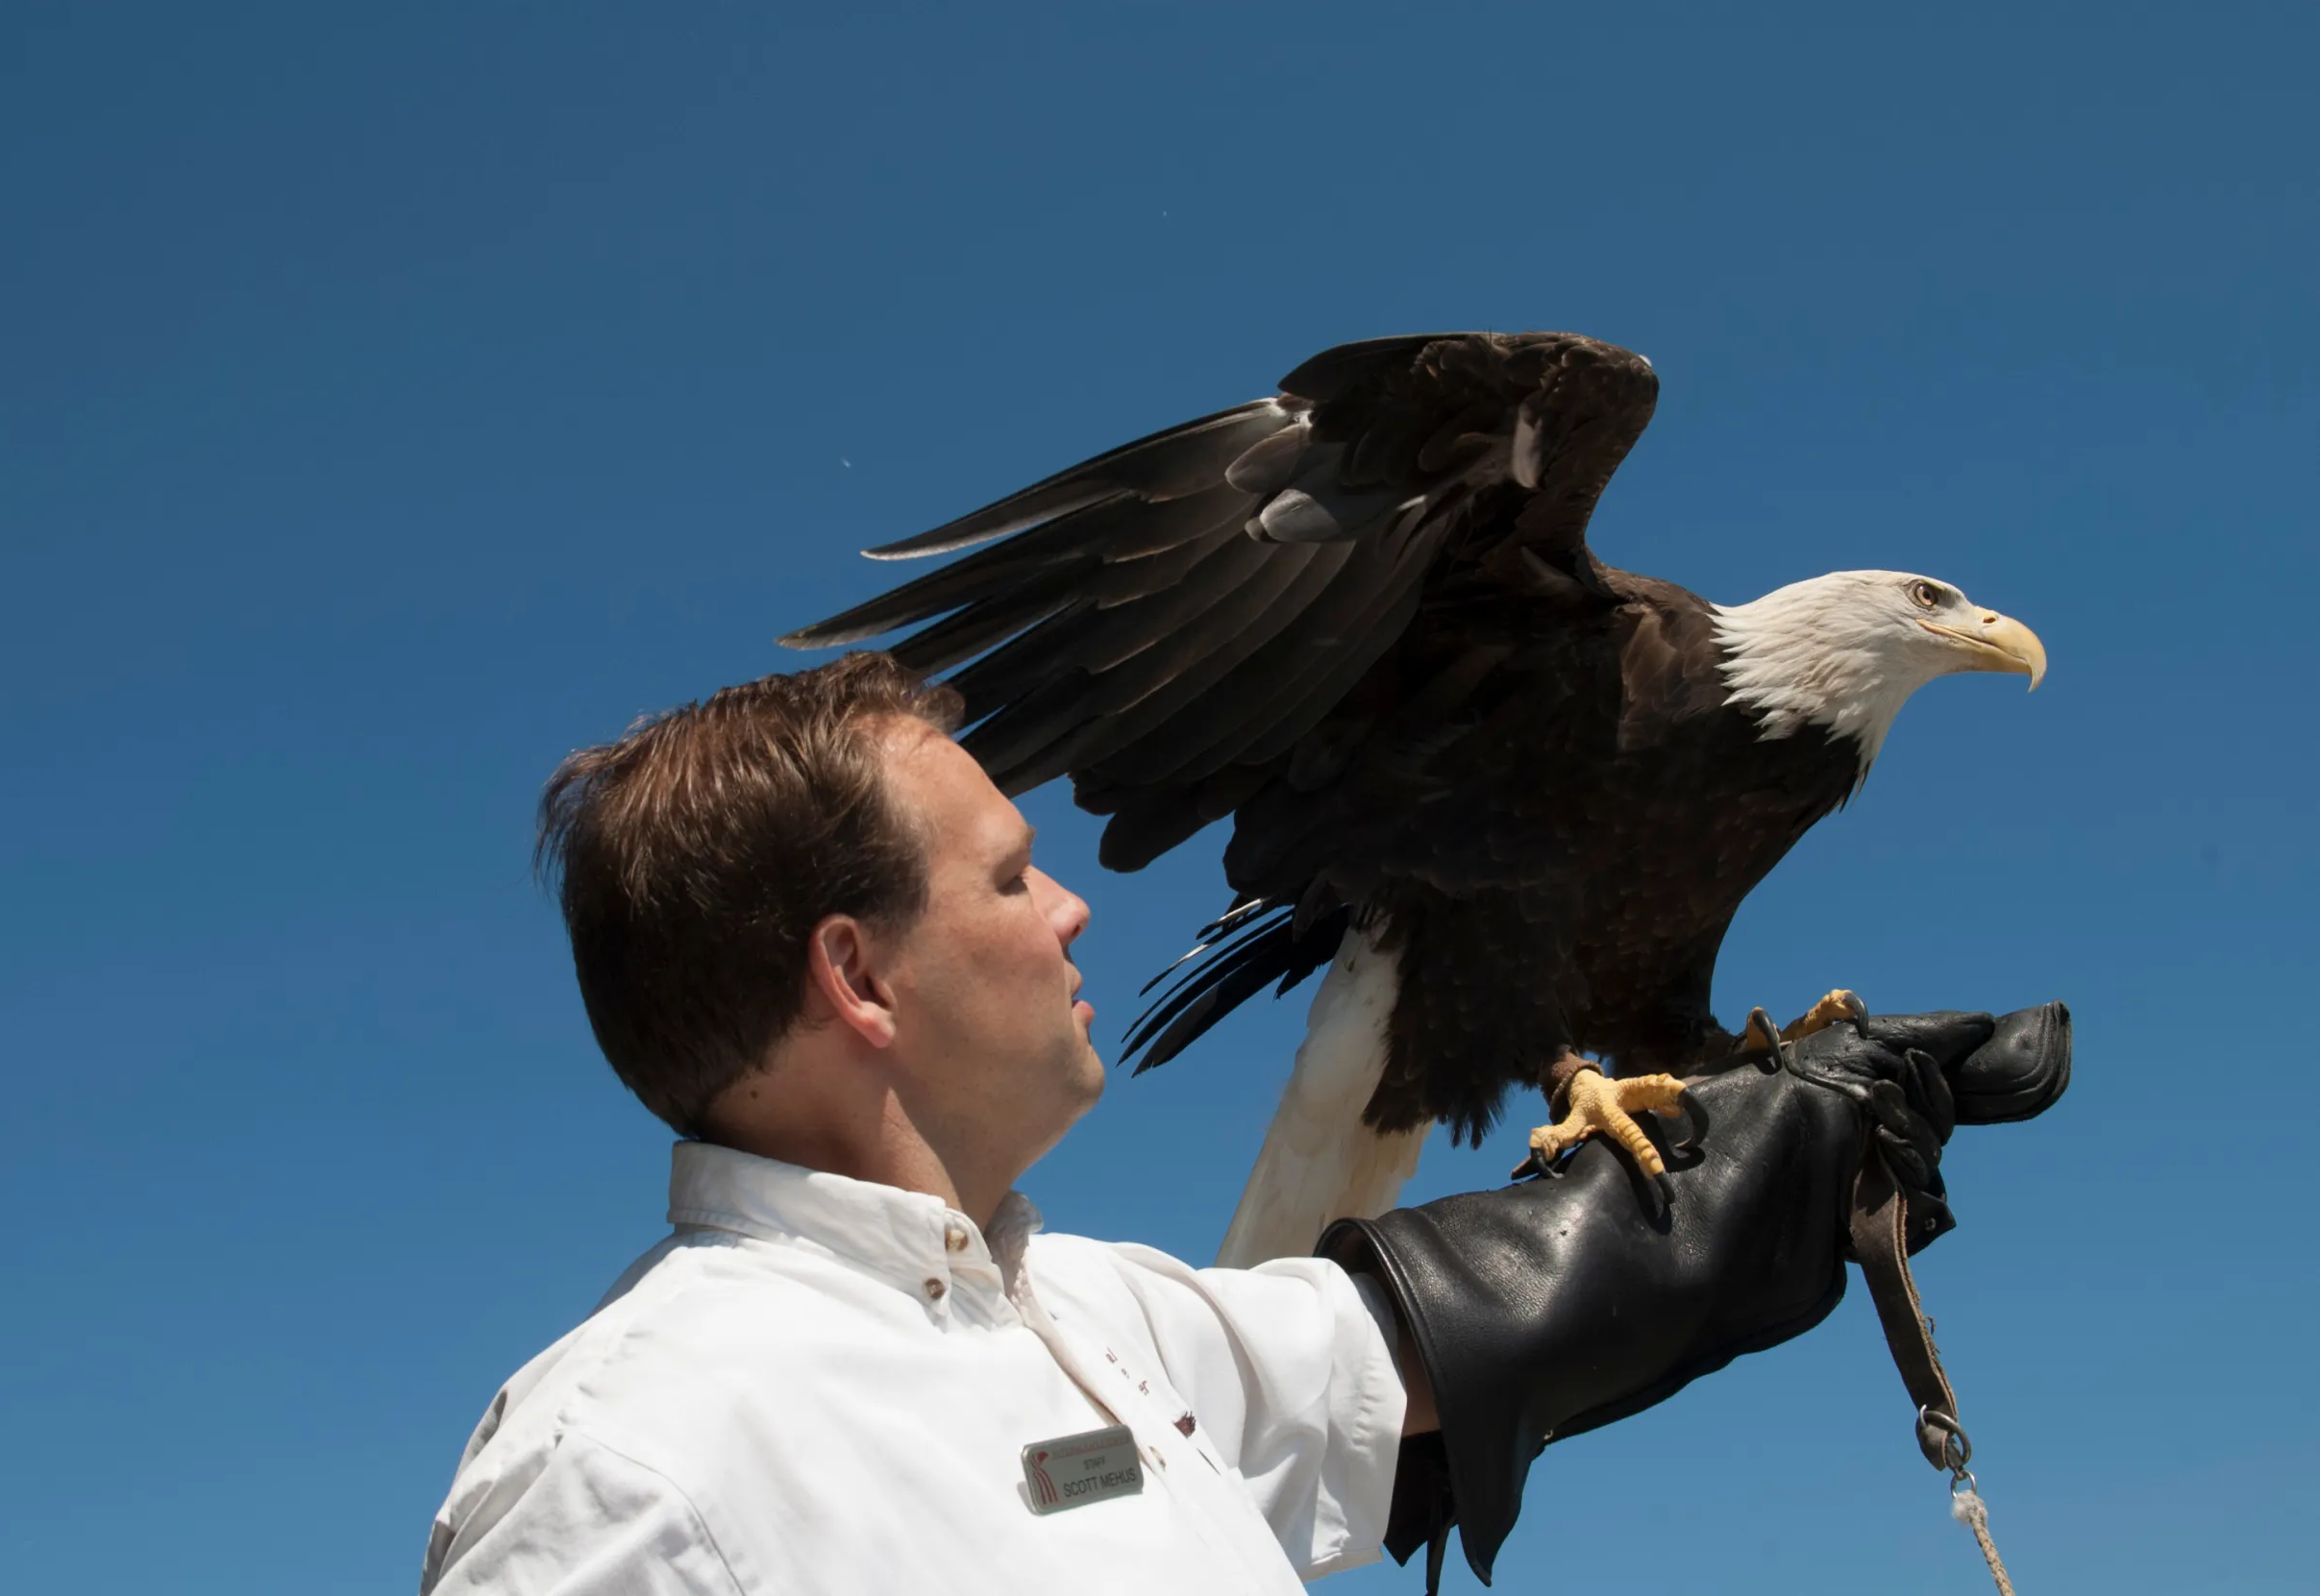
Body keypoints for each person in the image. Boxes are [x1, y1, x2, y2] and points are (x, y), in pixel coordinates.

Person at [419, 654, 2069, 1595]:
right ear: (856, 974)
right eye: (1006, 874)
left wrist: (1793, 1132)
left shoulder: (1099, 1328)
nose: (1073, 910)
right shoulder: (631, 1471)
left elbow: (1461, 1324)